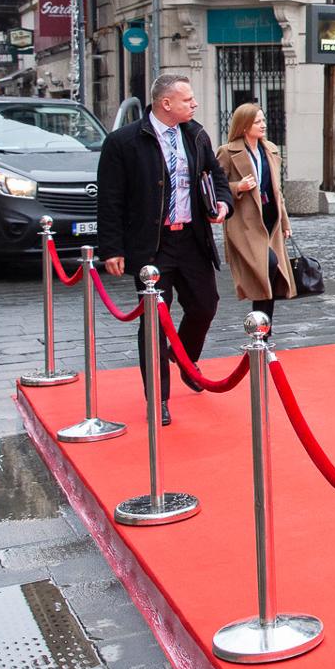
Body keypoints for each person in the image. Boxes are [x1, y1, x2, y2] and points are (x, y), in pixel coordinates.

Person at [96, 74, 233, 425]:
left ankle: (184, 359)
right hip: (151, 246)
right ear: (165, 103)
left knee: (205, 305)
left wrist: (222, 204)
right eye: (188, 99)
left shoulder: (196, 135)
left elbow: (216, 176)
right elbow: (110, 200)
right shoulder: (123, 142)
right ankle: (158, 397)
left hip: (191, 238)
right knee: (155, 322)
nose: (195, 104)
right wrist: (112, 248)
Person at [215, 103, 295, 331]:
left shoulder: (269, 149)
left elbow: (277, 192)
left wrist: (285, 223)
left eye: (263, 120)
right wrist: (237, 187)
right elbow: (214, 186)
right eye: (257, 121)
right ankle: (260, 328)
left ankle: (263, 330)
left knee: (268, 276)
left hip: (270, 220)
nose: (263, 125)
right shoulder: (227, 151)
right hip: (246, 224)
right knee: (266, 267)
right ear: (243, 125)